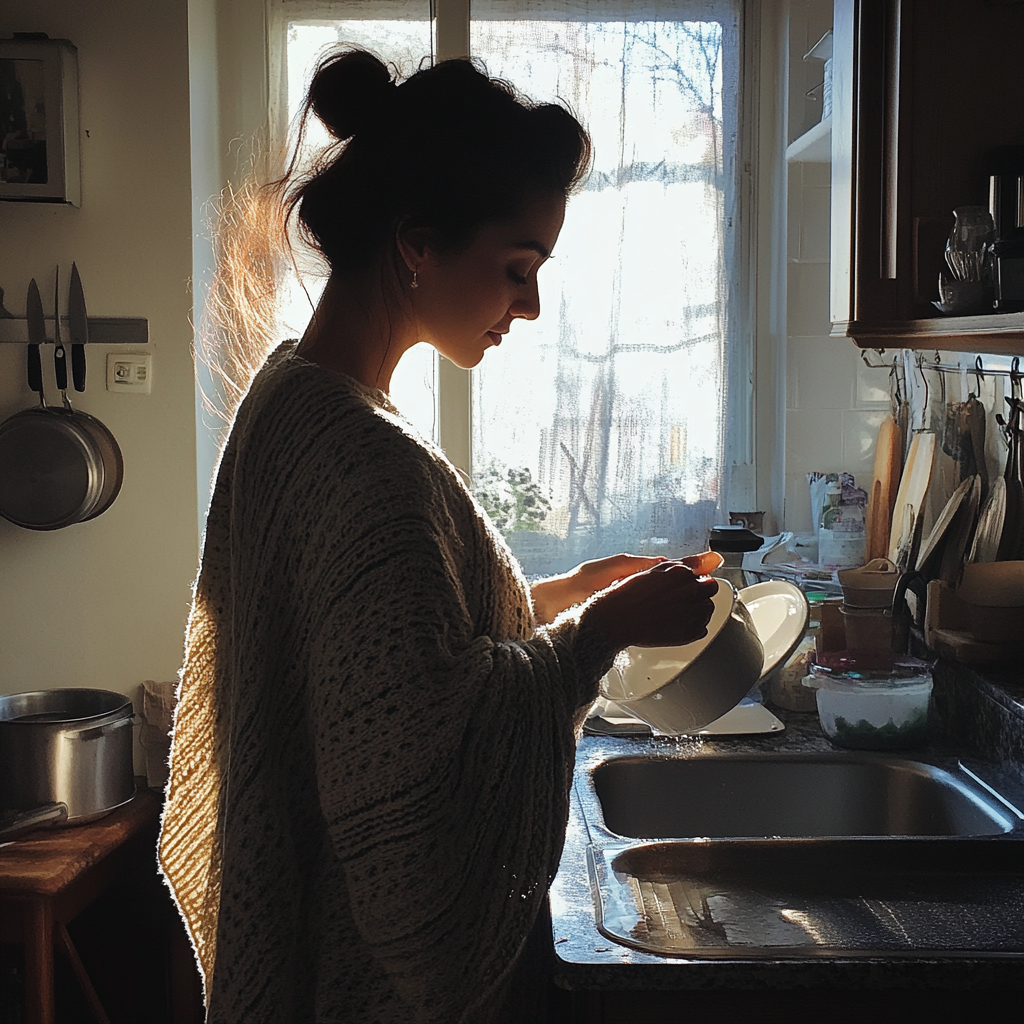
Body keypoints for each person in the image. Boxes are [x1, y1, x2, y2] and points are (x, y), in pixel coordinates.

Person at [159, 49, 720, 1024]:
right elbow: (408, 763)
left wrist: (564, 598)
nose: (530, 305)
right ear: (416, 244)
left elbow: (381, 656)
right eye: (517, 268)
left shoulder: (292, 398)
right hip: (356, 976)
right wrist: (596, 633)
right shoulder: (363, 458)